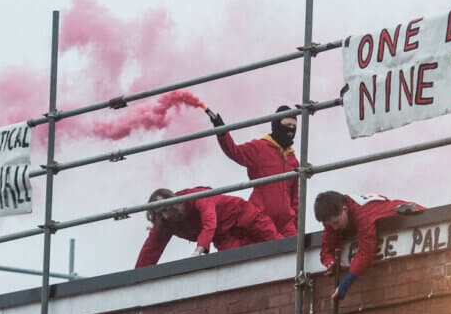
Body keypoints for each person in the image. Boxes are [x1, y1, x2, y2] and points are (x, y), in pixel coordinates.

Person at [207, 105, 300, 237]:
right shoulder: (259, 148)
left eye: (294, 125)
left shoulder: (293, 160)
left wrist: (297, 228)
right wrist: (222, 131)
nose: (291, 128)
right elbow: (235, 152)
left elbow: (295, 199)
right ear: (276, 124)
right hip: (261, 217)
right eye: (287, 123)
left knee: (295, 251)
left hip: (286, 223)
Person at [314, 191, 423, 299]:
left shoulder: (363, 214)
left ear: (345, 209)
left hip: (419, 216)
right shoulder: (333, 217)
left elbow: (365, 253)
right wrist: (330, 263)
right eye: (330, 224)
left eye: (336, 223)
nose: (335, 228)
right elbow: (327, 247)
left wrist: (346, 283)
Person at [136, 187, 280, 268]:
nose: (165, 216)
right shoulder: (164, 223)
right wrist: (136, 279)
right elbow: (150, 251)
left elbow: (209, 221)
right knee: (239, 266)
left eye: (166, 210)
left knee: (278, 245)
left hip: (244, 217)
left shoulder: (193, 197)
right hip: (224, 237)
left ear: (173, 203)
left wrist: (199, 249)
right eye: (159, 214)